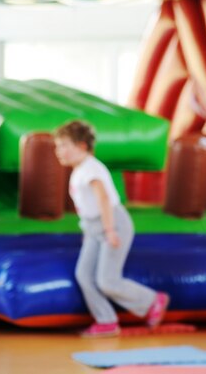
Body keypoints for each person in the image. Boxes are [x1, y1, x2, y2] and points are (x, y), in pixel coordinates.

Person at [54, 121, 169, 338]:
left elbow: (104, 199)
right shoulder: (79, 170)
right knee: (84, 275)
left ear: (81, 146)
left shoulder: (91, 168)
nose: (58, 151)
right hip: (94, 227)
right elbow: (87, 208)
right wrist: (89, 231)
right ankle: (106, 321)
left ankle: (153, 300)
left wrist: (109, 231)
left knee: (107, 280)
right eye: (57, 146)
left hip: (112, 223)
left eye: (63, 145)